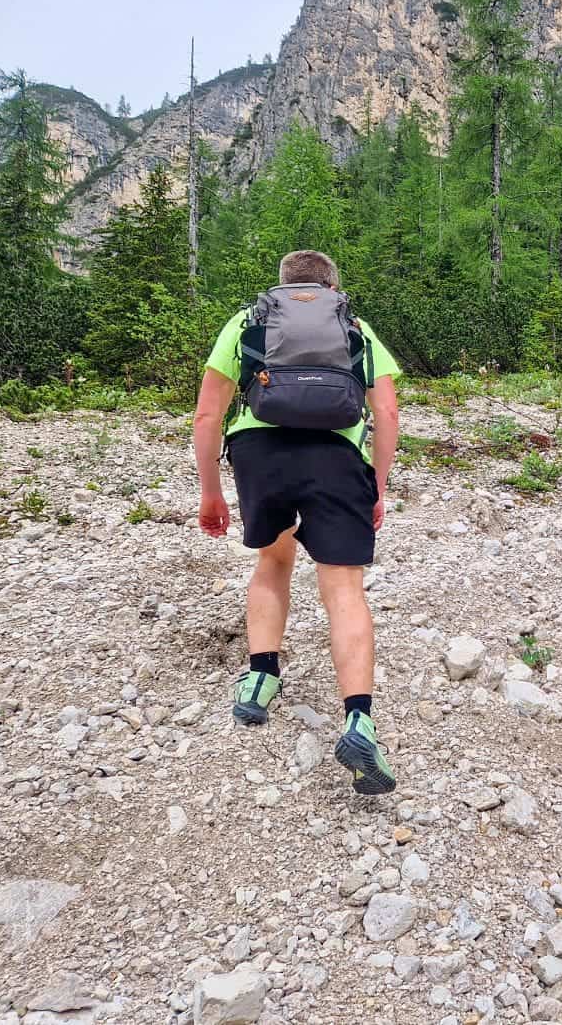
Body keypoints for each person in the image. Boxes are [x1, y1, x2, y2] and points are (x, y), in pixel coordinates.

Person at [193, 250, 401, 795]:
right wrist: (376, 484)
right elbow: (387, 414)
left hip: (261, 449)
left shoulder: (248, 321)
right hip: (335, 457)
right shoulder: (354, 326)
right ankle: (358, 719)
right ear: (333, 286)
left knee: (274, 559)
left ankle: (260, 679)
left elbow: (208, 413)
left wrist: (211, 491)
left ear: (282, 287)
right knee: (343, 587)